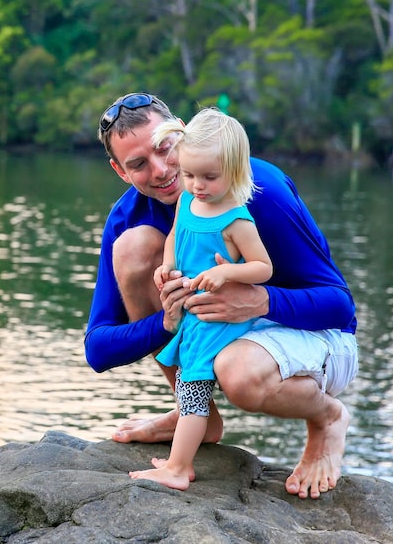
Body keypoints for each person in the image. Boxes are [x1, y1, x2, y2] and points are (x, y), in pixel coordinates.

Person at [85, 92, 358, 499]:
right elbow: (98, 349)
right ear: (120, 171)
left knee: (239, 373)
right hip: (213, 333)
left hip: (320, 341)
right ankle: (195, 413)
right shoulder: (129, 217)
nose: (161, 170)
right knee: (134, 247)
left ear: (181, 133)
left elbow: (341, 307)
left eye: (165, 148)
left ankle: (327, 418)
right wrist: (165, 321)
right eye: (139, 164)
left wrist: (260, 301)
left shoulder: (257, 190)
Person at [130, 107, 273, 490]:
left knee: (192, 390)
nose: (197, 185)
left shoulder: (236, 220)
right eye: (189, 174)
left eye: (209, 177)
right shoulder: (188, 201)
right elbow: (176, 233)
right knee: (185, 388)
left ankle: (178, 470)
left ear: (236, 172)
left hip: (218, 319)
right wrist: (167, 265)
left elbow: (262, 267)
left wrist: (227, 271)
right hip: (192, 314)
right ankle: (181, 459)